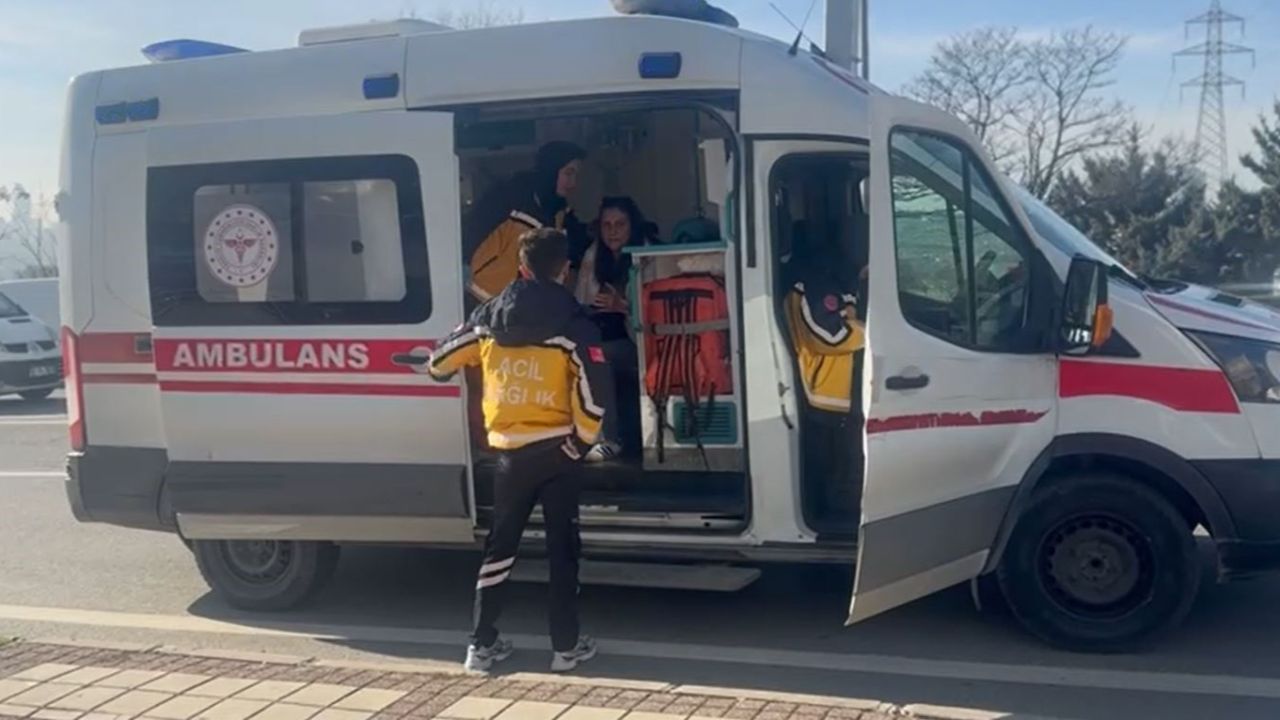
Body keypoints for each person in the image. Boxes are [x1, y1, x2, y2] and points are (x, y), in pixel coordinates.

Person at [429, 227, 613, 674]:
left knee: (500, 549)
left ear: (522, 267)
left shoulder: (487, 319)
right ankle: (565, 649)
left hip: (510, 455)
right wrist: (580, 443)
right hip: (559, 453)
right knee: (562, 550)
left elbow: (438, 364)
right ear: (564, 270)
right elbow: (596, 393)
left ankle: (480, 646)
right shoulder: (574, 325)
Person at [784, 229, 865, 521]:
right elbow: (830, 336)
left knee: (845, 470)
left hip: (842, 399)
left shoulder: (839, 279)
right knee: (833, 477)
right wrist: (873, 333)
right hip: (826, 399)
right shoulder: (813, 285)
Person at [573, 196, 652, 461]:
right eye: (607, 225)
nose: (613, 231)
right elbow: (581, 300)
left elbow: (656, 314)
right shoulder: (594, 254)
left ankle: (610, 439)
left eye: (620, 224)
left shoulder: (647, 253)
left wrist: (624, 306)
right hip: (606, 336)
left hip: (642, 342)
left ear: (633, 226)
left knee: (597, 356)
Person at [466, 141, 588, 302]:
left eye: (576, 176)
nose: (573, 183)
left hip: (524, 309)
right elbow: (470, 238)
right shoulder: (507, 199)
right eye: (568, 173)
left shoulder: (561, 216)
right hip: (482, 300)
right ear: (551, 170)